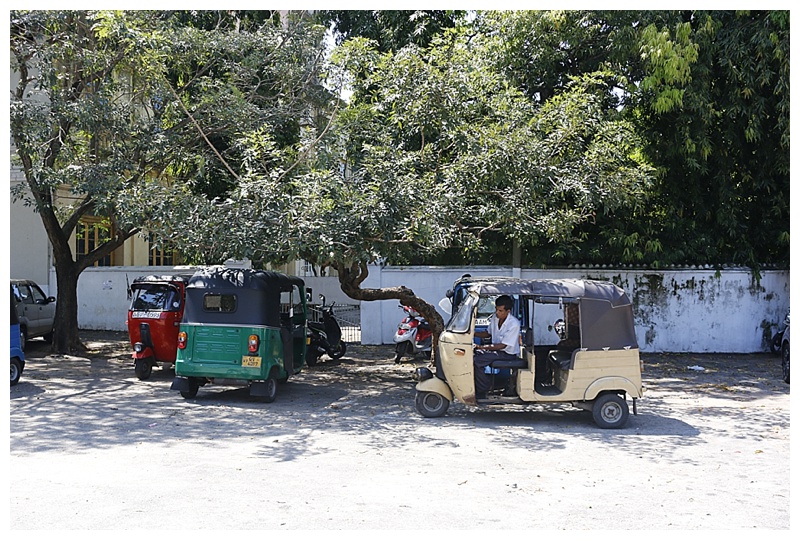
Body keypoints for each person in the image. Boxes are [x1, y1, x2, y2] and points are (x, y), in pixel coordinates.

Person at [473, 295, 521, 398]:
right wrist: (472, 333)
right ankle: (481, 385)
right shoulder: (495, 318)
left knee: (477, 361)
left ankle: (483, 389)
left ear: (508, 311)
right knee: (472, 356)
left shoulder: (514, 324)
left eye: (500, 311)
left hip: (507, 354)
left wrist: (481, 347)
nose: (497, 313)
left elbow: (502, 346)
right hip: (497, 351)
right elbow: (488, 333)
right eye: (496, 309)